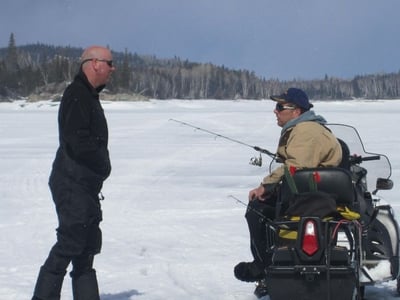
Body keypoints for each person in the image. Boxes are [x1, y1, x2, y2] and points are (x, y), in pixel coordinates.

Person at [234, 88, 343, 298]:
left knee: (257, 208)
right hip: (313, 192)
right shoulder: (305, 129)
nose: (275, 111)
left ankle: (264, 267)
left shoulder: (306, 131)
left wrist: (265, 186)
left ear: (296, 111)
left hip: (312, 196)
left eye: (280, 107)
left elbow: (296, 168)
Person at [32, 46, 115, 300]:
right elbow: (77, 141)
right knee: (70, 243)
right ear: (94, 64)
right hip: (71, 184)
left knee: (85, 249)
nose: (113, 69)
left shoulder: (88, 95)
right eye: (110, 63)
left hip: (84, 186)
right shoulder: (77, 95)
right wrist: (103, 164)